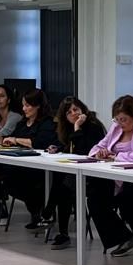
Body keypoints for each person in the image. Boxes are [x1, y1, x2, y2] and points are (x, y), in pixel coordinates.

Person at [84, 95, 133, 258]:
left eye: (124, 119)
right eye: (117, 119)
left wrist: (114, 156)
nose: (120, 123)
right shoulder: (116, 128)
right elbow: (97, 148)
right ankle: (125, 237)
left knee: (127, 200)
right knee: (94, 196)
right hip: (119, 177)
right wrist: (100, 153)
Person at [42, 96, 106, 250]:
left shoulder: (93, 126)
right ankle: (56, 224)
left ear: (83, 109)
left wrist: (78, 127)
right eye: (68, 112)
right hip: (75, 174)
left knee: (63, 184)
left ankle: (49, 216)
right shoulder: (67, 127)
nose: (73, 114)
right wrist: (56, 148)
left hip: (94, 174)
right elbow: (68, 148)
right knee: (62, 180)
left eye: (76, 109)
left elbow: (84, 151)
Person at [0, 89, 58, 227]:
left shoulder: (47, 123)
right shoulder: (22, 124)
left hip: (40, 168)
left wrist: (16, 140)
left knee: (19, 177)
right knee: (6, 176)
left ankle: (39, 211)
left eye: (28, 105)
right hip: (22, 164)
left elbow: (40, 143)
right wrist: (2, 140)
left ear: (38, 106)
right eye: (23, 105)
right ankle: (36, 210)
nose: (24, 109)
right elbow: (14, 139)